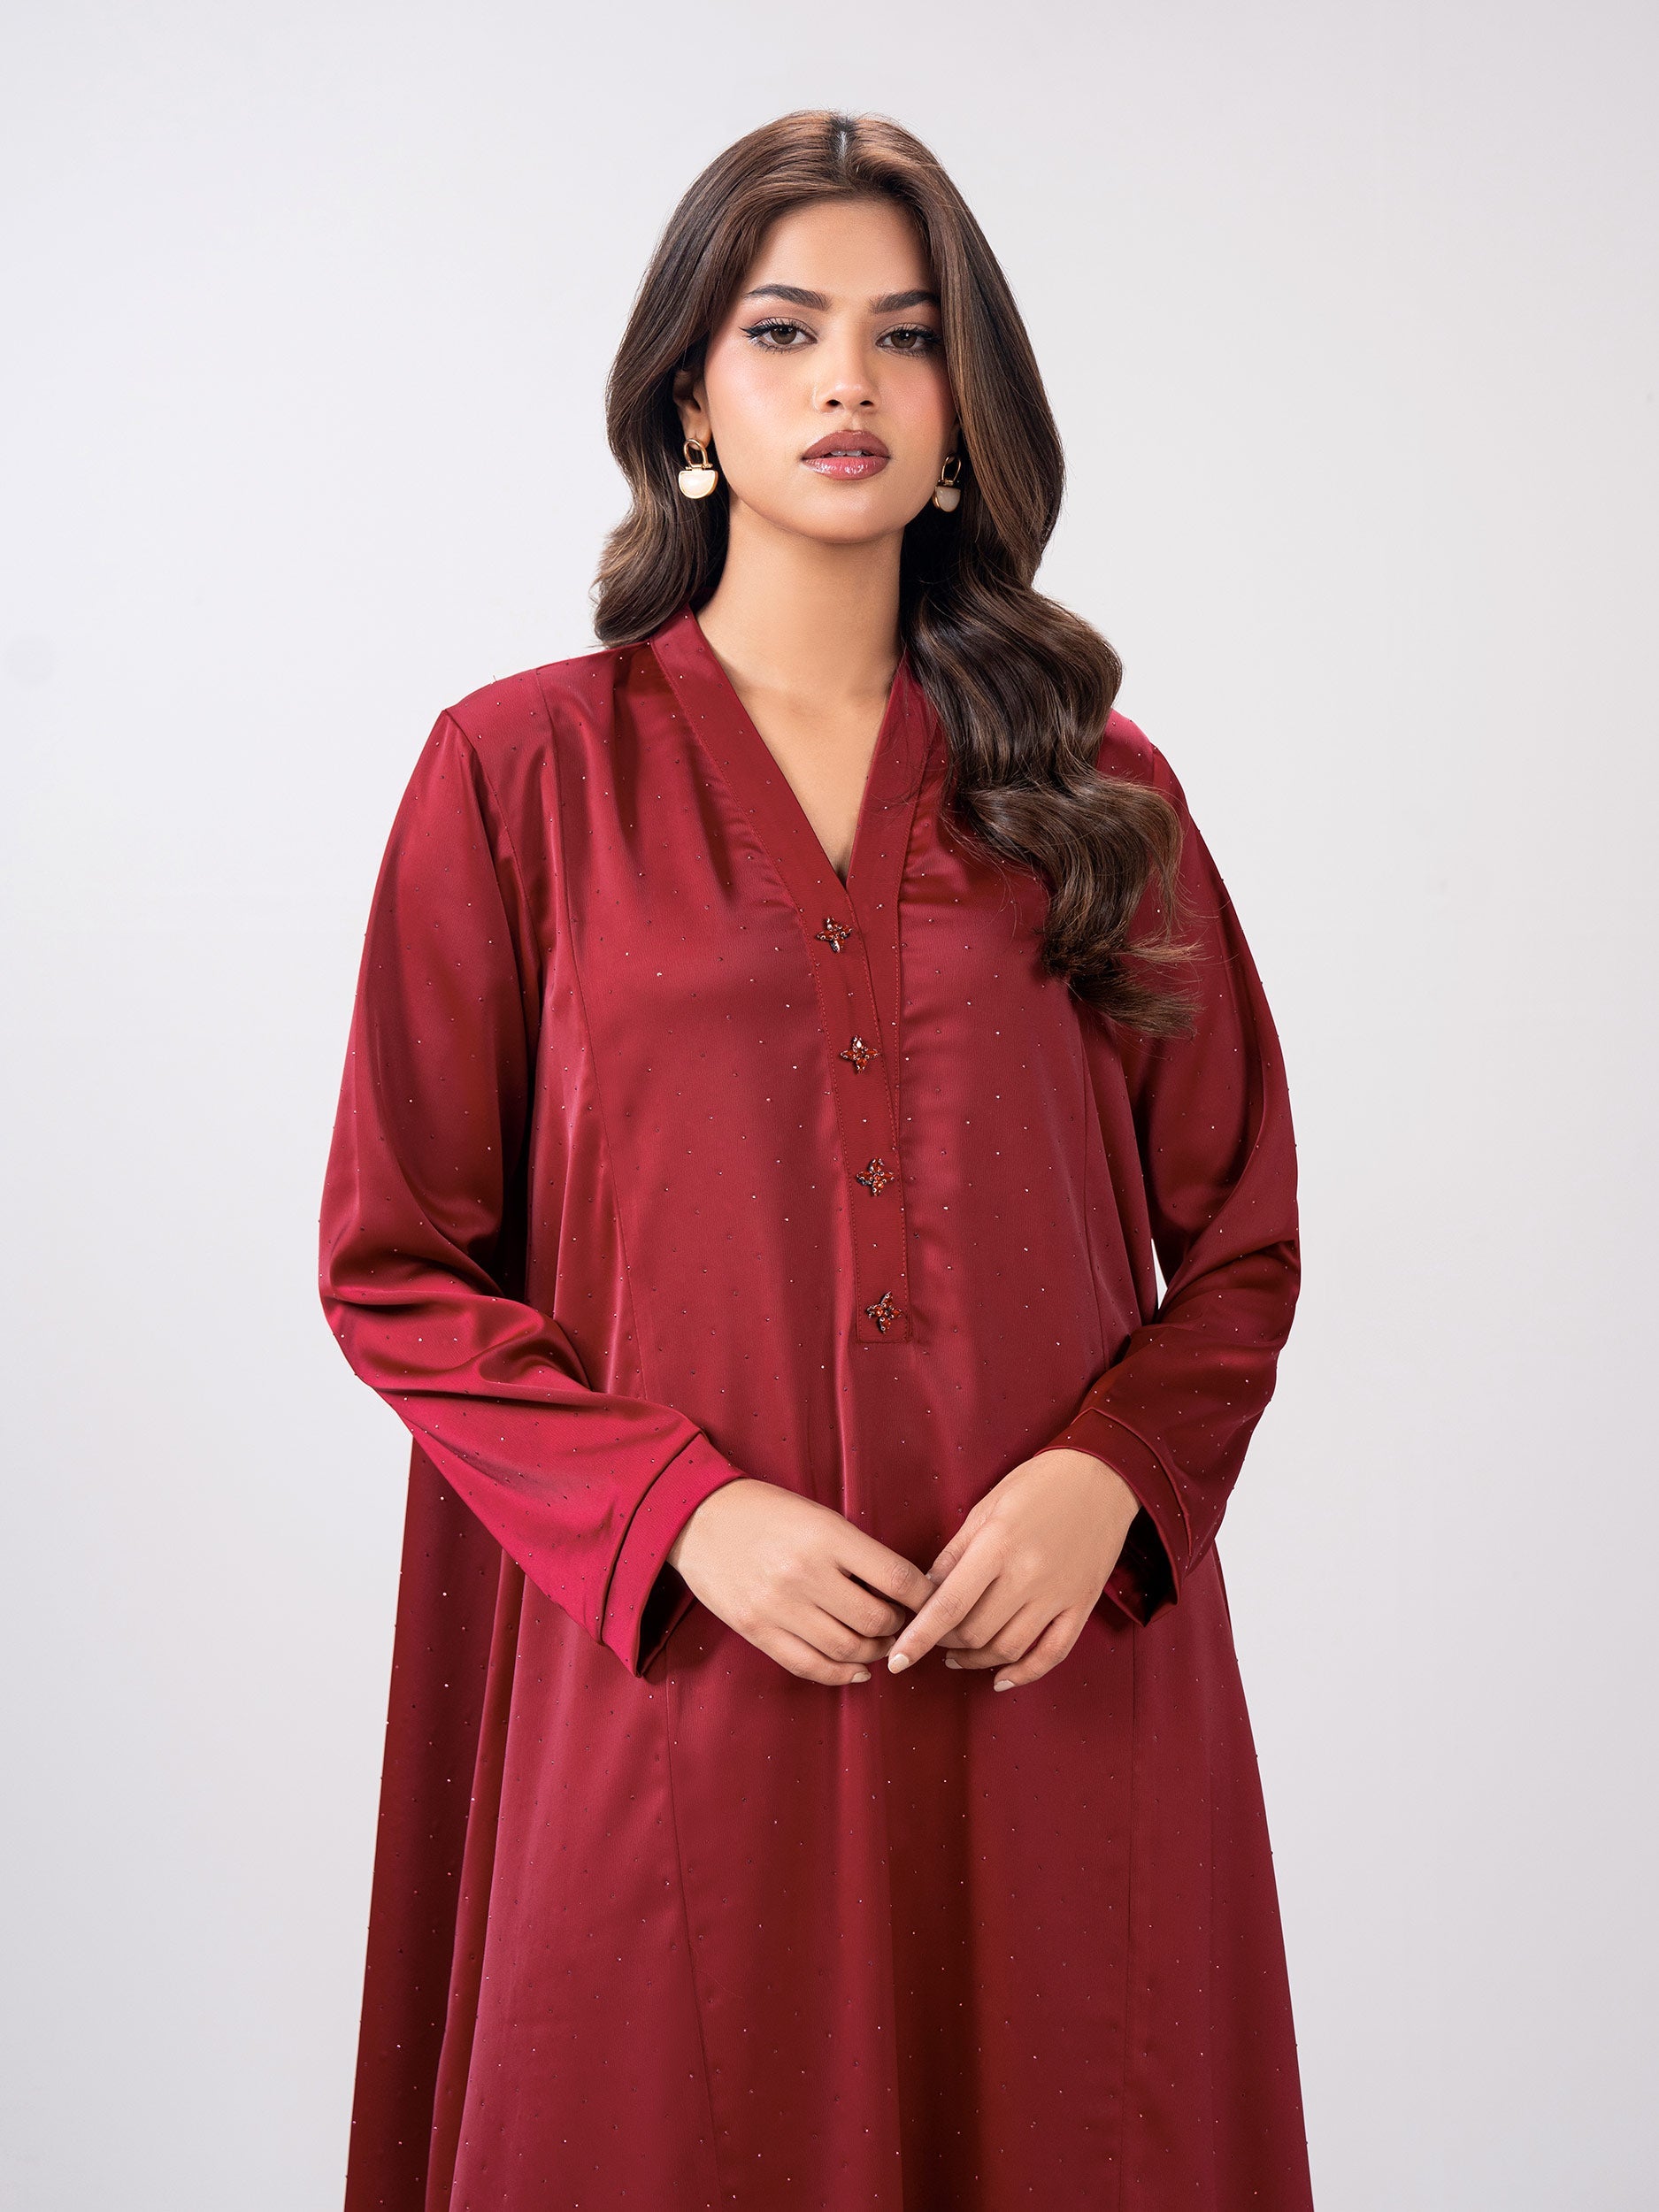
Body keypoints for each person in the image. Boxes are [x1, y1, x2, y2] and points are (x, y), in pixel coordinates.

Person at [319, 106, 1312, 2212]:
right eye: (781, 331)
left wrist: (1109, 1477)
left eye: (902, 334)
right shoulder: (518, 776)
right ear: (688, 399)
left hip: (1042, 1662)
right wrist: (673, 1512)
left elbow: (1237, 1237)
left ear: (962, 412)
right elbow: (396, 1258)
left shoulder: (1099, 790)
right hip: (680, 1665)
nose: (844, 381)